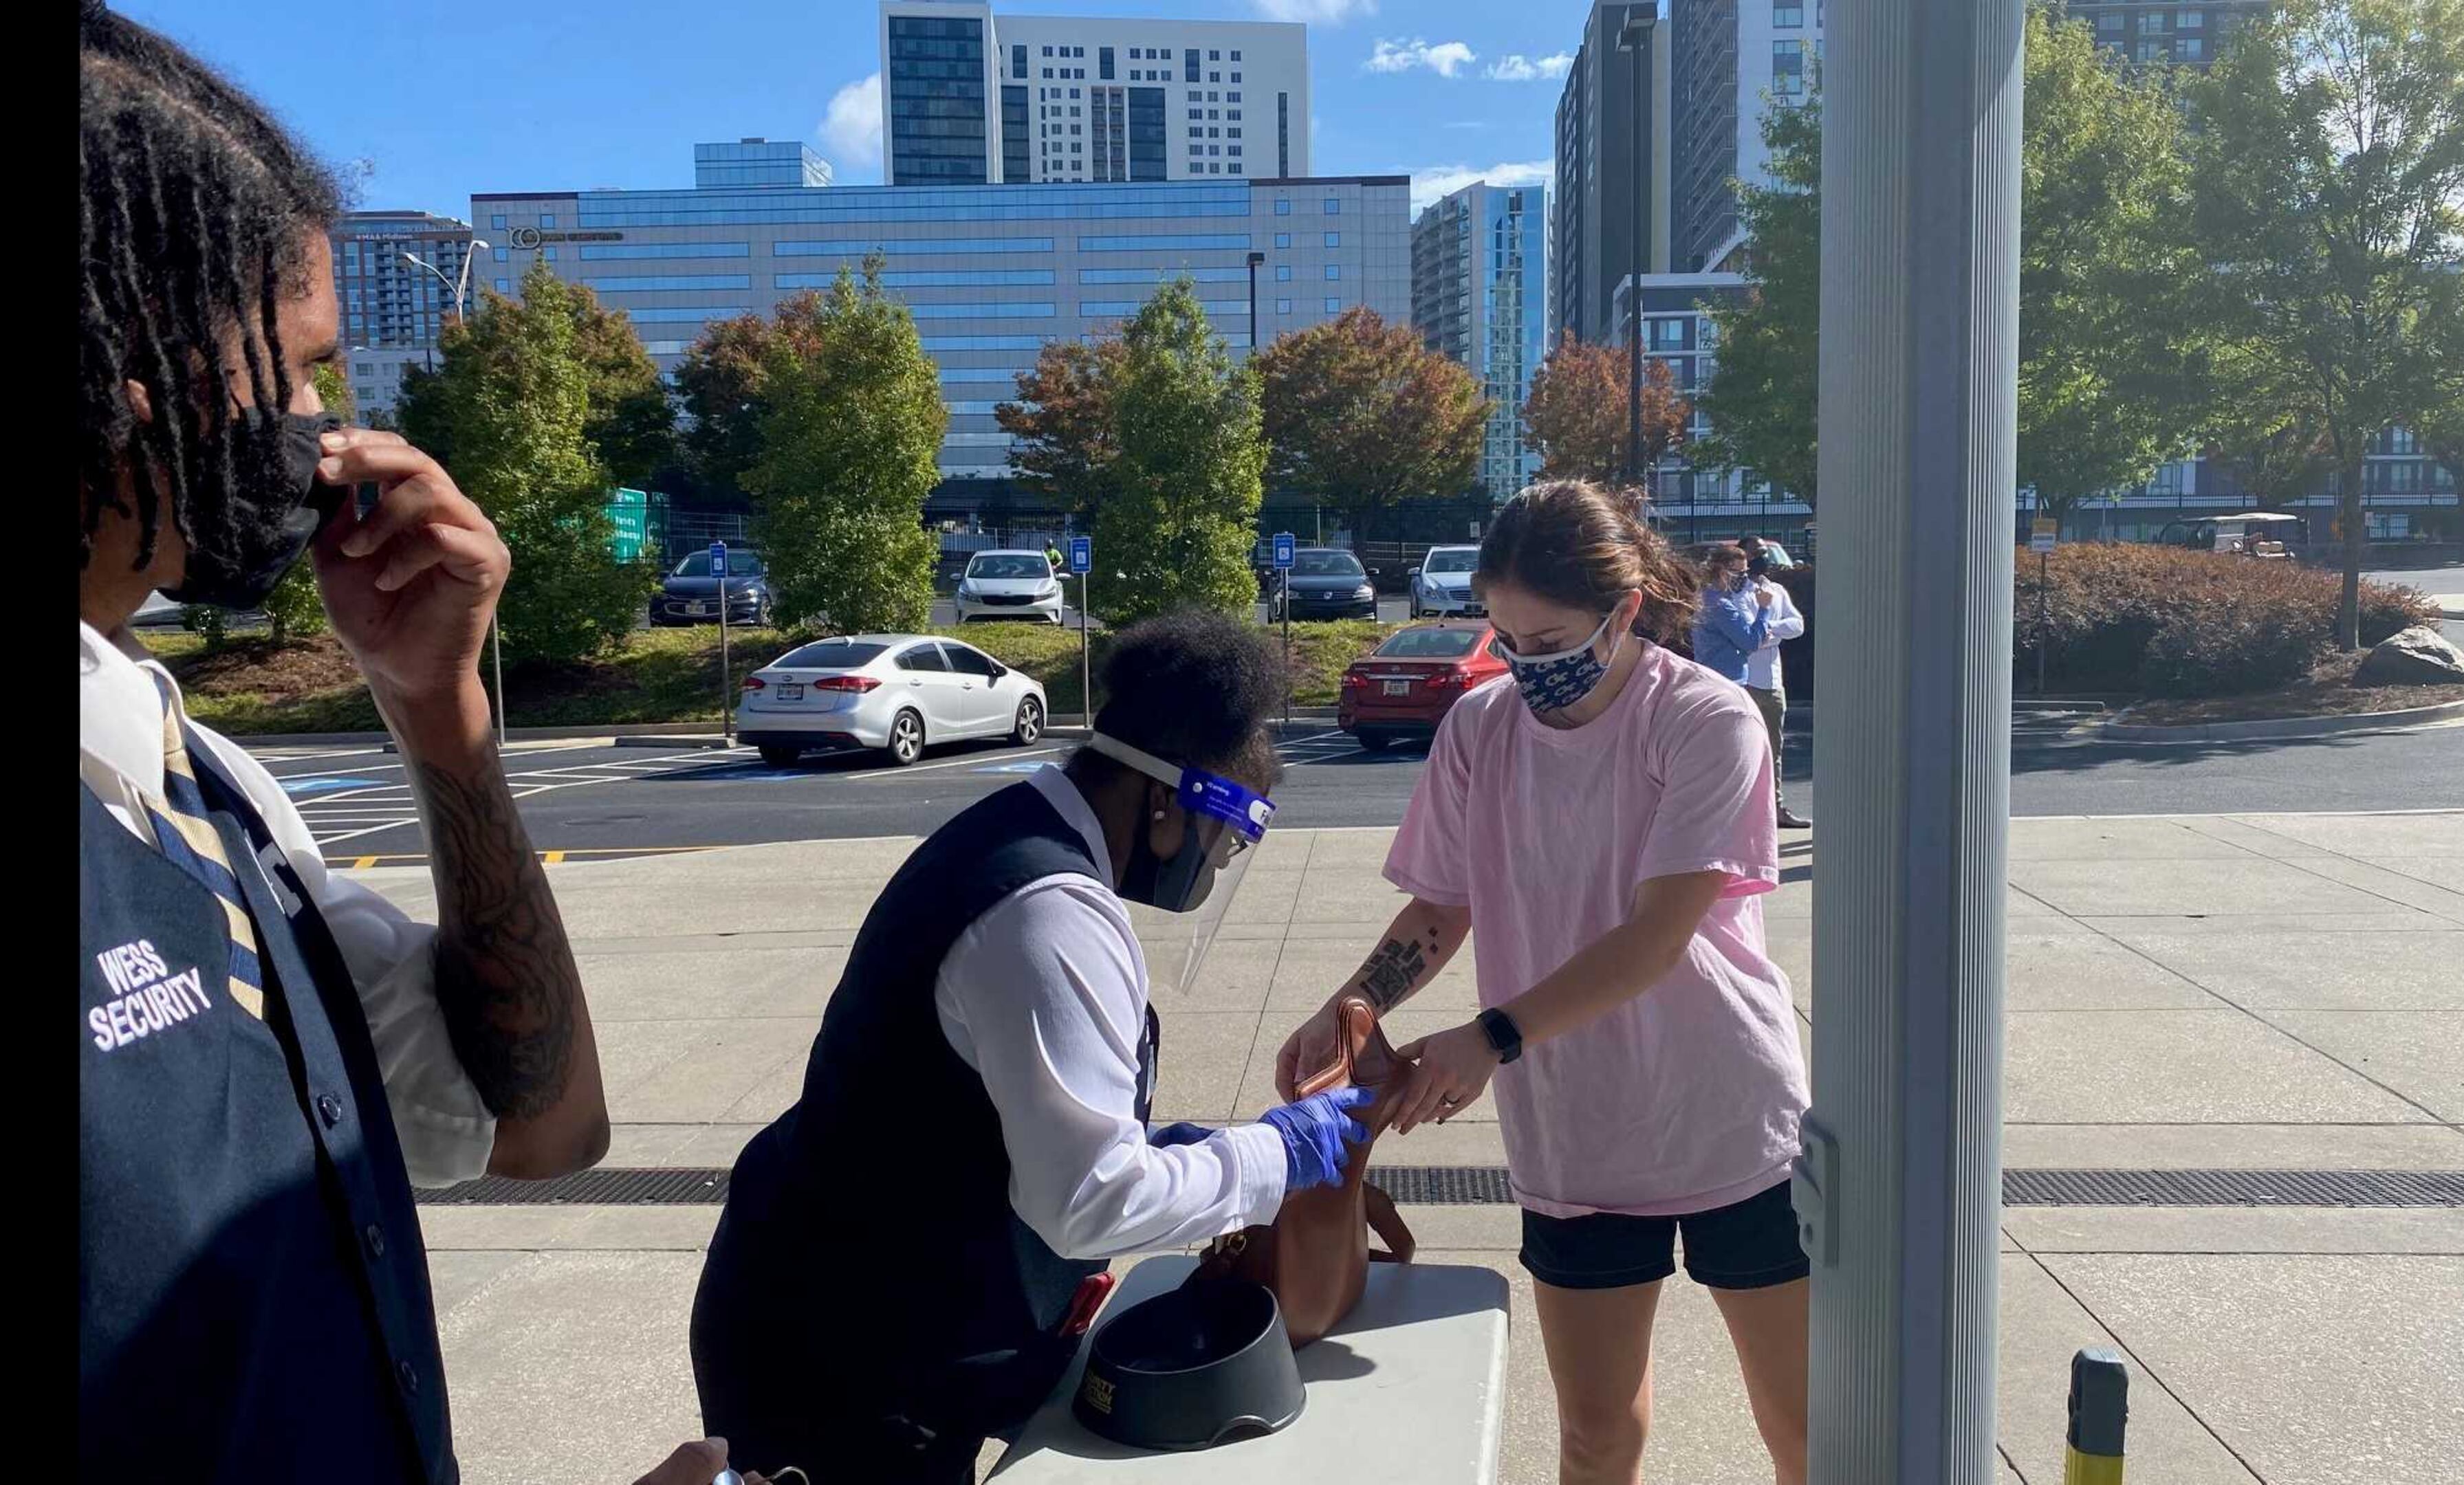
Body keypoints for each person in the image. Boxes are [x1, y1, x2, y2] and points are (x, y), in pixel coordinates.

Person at [78, 11, 739, 1482]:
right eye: (295, 371)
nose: (325, 433)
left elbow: (539, 1125)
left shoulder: (195, 781)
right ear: (127, 363)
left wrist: (441, 719)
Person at [691, 610, 1375, 1482]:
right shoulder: (1046, 909)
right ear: (1168, 799)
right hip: (844, 1355)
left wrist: (1167, 1151)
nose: (1210, 867)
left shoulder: (1021, 837)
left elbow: (990, 1110)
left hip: (875, 1293)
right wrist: (1274, 1156)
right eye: (1222, 839)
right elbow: (1091, 1202)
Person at [1276, 481, 1813, 1485]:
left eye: (1551, 637)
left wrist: (1489, 1037)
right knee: (1597, 1438)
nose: (1527, 663)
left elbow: (1658, 936)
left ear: (1627, 608)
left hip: (1731, 1119)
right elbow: (1442, 905)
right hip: (1576, 1139)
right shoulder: (1481, 727)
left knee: (1806, 1430)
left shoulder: (1707, 721)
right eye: (1505, 636)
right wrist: (1352, 1008)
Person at [1692, 543, 1811, 830]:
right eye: (1742, 567)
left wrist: (1768, 626)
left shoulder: (1770, 590)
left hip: (1762, 680)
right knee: (1734, 753)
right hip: (1733, 684)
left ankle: (1770, 810)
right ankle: (1735, 816)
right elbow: (1750, 639)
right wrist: (1765, 613)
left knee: (1770, 749)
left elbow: (1796, 625)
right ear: (1723, 570)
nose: (1748, 572)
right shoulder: (1722, 602)